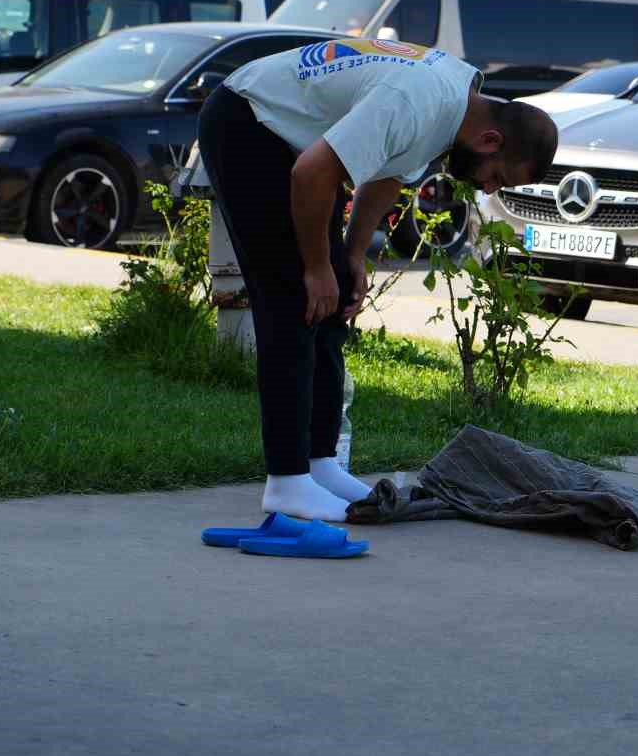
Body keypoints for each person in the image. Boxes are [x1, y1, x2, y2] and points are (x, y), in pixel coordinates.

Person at [197, 37, 559, 521]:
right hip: (248, 123)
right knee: (294, 300)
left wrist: (349, 257)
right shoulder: (418, 101)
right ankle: (286, 481)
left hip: (294, 145)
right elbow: (312, 173)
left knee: (333, 300)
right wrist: (315, 266)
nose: (488, 188)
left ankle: (319, 464)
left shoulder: (455, 103)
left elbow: (389, 173)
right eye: (498, 177)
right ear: (491, 141)